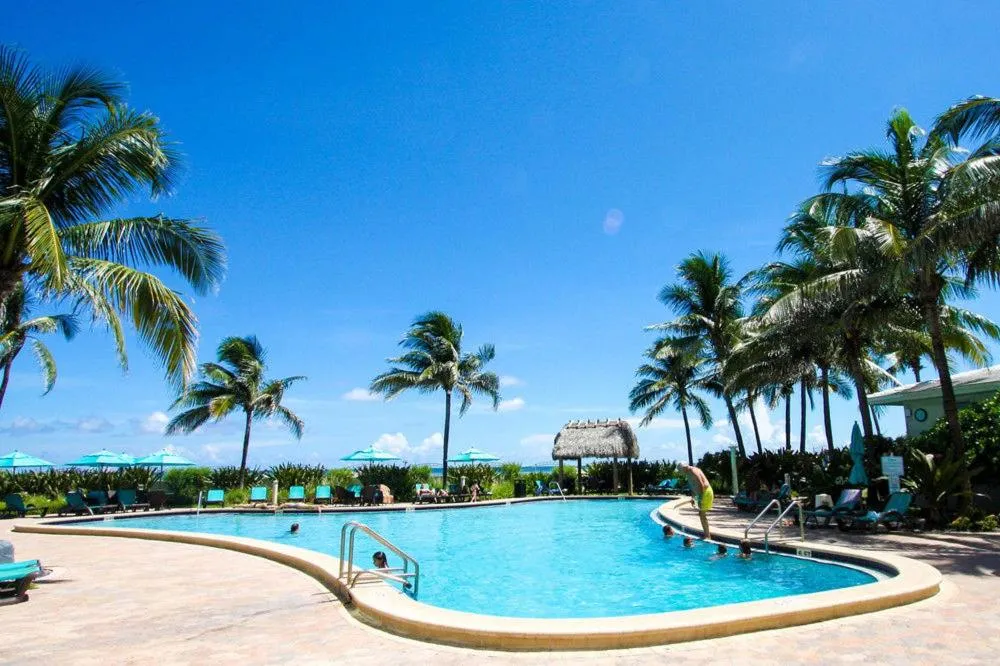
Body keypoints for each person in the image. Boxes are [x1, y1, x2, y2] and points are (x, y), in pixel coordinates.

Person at [679, 462, 714, 540]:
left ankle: (708, 536)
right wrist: (693, 498)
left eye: (681, 470)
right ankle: (707, 534)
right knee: (701, 514)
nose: (681, 472)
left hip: (705, 492)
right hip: (703, 493)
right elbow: (694, 486)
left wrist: (700, 499)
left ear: (684, 468)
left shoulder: (693, 471)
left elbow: (701, 484)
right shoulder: (689, 472)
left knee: (702, 514)